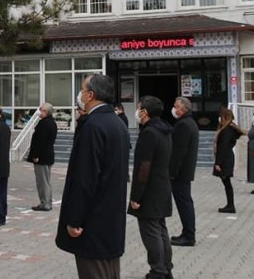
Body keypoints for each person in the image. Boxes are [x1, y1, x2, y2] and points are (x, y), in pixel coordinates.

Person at [56, 74, 130, 279]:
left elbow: (85, 179)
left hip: (93, 221)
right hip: (111, 217)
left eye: (81, 90)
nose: (79, 95)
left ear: (90, 95)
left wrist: (75, 220)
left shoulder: (93, 126)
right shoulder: (117, 124)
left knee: (94, 271)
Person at [128, 96, 173, 279]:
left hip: (150, 190)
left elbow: (143, 167)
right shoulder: (165, 130)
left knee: (151, 232)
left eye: (138, 108)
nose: (137, 112)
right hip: (162, 186)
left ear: (145, 112)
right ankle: (166, 268)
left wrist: (136, 197)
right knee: (160, 230)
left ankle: (158, 271)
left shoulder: (149, 133)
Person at [169, 97, 199, 247]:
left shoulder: (184, 125)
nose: (174, 109)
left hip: (181, 172)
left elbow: (178, 152)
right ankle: (187, 233)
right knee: (185, 202)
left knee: (184, 203)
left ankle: (188, 235)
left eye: (176, 106)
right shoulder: (189, 122)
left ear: (183, 109)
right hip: (184, 171)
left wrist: (172, 172)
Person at [213, 107, 246, 214]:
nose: (219, 118)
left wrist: (218, 162)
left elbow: (223, 147)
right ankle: (230, 204)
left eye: (221, 116)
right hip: (227, 157)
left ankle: (230, 205)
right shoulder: (229, 129)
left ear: (224, 117)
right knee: (226, 182)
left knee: (227, 182)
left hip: (225, 159)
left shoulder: (227, 130)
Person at [28, 102, 57, 211]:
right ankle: (47, 201)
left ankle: (45, 203)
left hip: (42, 157)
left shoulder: (45, 124)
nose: (39, 112)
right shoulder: (51, 122)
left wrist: (36, 155)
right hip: (48, 155)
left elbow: (41, 141)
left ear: (46, 111)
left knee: (42, 181)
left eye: (41, 110)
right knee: (46, 180)